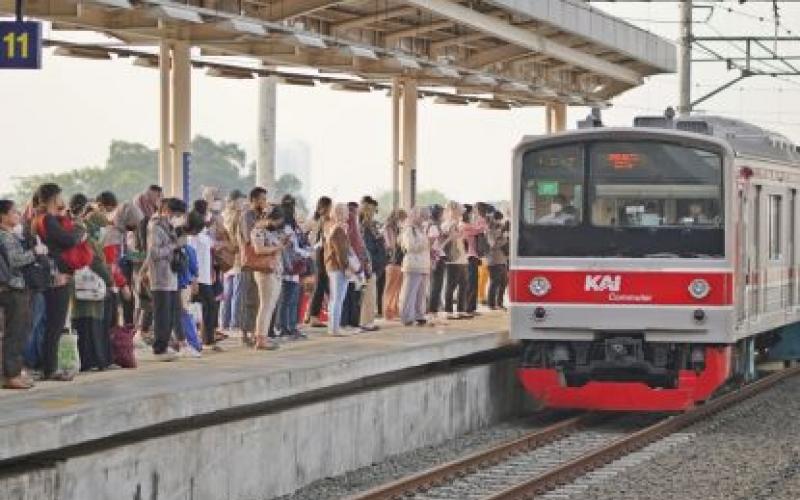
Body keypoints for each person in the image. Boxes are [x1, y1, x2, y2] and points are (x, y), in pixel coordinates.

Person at [34, 183, 87, 380]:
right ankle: (50, 368)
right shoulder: (47, 219)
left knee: (49, 324)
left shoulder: (38, 218)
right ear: (54, 197)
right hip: (56, 277)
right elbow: (67, 240)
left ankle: (47, 366)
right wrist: (80, 232)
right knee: (55, 324)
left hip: (49, 275)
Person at [0, 200, 44, 389]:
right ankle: (11, 376)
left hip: (11, 287)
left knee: (15, 332)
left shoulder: (8, 235)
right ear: (3, 216)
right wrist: (35, 251)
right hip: (13, 288)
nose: (18, 214)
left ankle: (13, 373)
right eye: (14, 212)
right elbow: (16, 260)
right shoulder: (5, 236)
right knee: (15, 333)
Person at [69, 194, 114, 372]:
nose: (104, 231)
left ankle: (84, 361)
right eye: (103, 227)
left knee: (80, 324)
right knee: (94, 326)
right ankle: (97, 360)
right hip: (92, 290)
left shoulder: (80, 235)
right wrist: (110, 282)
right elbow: (97, 263)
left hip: (78, 289)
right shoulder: (91, 241)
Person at [145, 197, 186, 362]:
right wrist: (174, 246)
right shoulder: (155, 227)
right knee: (162, 314)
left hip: (171, 276)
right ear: (169, 211)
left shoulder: (168, 227)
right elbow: (154, 253)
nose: (178, 218)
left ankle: (165, 345)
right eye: (177, 214)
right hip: (160, 277)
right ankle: (159, 348)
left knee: (170, 313)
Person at [187, 209, 222, 352]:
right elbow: (192, 259)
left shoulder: (203, 236)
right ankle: (205, 339)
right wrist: (193, 279)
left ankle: (206, 339)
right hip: (198, 278)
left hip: (206, 277)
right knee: (207, 307)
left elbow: (213, 247)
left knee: (208, 308)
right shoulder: (193, 239)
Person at [250, 206, 284, 350]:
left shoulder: (269, 231)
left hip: (274, 271)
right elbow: (258, 249)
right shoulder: (258, 231)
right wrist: (277, 248)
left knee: (269, 305)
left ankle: (263, 336)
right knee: (266, 305)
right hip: (265, 272)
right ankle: (261, 338)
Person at [238, 187, 269, 346]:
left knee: (258, 299)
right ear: (254, 200)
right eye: (262, 199)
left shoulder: (261, 216)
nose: (265, 202)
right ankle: (245, 333)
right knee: (249, 298)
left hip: (261, 263)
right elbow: (250, 237)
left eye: (265, 199)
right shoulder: (247, 216)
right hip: (250, 263)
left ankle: (255, 332)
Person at [278, 195, 310, 340]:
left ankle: (291, 327)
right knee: (287, 299)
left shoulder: (292, 226)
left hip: (294, 266)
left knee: (292, 299)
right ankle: (284, 328)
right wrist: (307, 253)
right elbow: (292, 248)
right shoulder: (285, 227)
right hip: (288, 266)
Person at [399, 207, 431, 326]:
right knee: (410, 292)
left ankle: (419, 314)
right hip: (413, 265)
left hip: (423, 265)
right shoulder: (408, 230)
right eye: (420, 216)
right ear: (413, 216)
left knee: (421, 292)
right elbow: (409, 247)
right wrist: (425, 243)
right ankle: (407, 316)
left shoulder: (421, 230)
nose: (423, 218)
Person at [221, 190, 246, 333]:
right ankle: (235, 323)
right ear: (234, 201)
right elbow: (238, 238)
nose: (242, 203)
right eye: (241, 201)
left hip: (226, 258)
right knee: (237, 292)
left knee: (228, 293)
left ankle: (224, 323)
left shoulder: (224, 215)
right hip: (236, 257)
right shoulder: (237, 215)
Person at [325, 203, 351, 337]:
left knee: (335, 299)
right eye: (346, 212)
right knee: (338, 299)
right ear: (340, 213)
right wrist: (346, 267)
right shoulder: (338, 230)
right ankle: (335, 328)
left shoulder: (334, 228)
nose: (348, 214)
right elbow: (341, 251)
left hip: (333, 266)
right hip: (337, 267)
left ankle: (333, 327)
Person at [359, 196, 384, 332]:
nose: (373, 212)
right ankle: (365, 322)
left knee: (371, 294)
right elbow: (366, 247)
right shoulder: (363, 226)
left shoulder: (372, 226)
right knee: (368, 295)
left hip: (374, 263)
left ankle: (368, 321)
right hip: (369, 264)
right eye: (371, 209)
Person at [306, 196, 332, 328]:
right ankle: (313, 316)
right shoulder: (322, 220)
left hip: (317, 254)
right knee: (321, 286)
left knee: (321, 286)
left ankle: (310, 314)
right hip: (320, 254)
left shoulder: (315, 220)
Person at [442, 201, 469, 320]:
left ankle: (461, 309)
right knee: (451, 285)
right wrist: (457, 230)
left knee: (463, 284)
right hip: (452, 259)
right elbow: (452, 237)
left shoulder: (459, 224)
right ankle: (448, 311)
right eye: (458, 211)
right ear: (451, 211)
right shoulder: (447, 224)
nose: (460, 213)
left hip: (462, 257)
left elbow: (461, 237)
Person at [382, 209, 407, 321]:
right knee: (390, 288)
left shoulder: (398, 229)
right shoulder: (388, 228)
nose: (403, 221)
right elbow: (390, 245)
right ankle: (387, 311)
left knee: (398, 288)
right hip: (392, 261)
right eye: (402, 219)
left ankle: (395, 309)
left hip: (400, 260)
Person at [427, 204, 447, 322]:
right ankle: (432, 311)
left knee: (437, 285)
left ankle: (434, 310)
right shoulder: (434, 227)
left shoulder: (435, 226)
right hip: (437, 258)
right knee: (436, 285)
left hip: (438, 257)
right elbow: (433, 246)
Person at [487, 211, 509, 310]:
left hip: (503, 260)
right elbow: (493, 245)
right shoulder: (489, 230)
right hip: (494, 260)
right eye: (498, 219)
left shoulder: (501, 230)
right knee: (494, 282)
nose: (499, 222)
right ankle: (491, 304)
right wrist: (504, 239)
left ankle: (499, 303)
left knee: (504, 282)